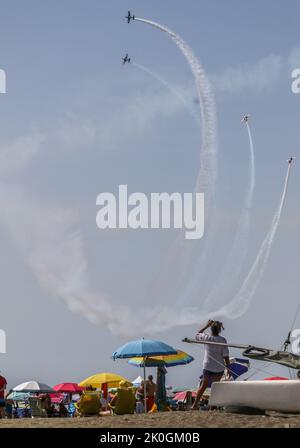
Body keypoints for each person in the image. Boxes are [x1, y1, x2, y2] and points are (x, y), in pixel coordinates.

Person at [191, 320, 231, 410]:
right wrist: (228, 368)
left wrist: (206, 325)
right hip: (218, 367)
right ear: (219, 330)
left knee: (204, 385)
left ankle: (194, 405)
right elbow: (226, 355)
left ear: (211, 329)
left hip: (208, 365)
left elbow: (197, 334)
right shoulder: (222, 340)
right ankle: (211, 407)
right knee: (215, 386)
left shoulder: (206, 337)